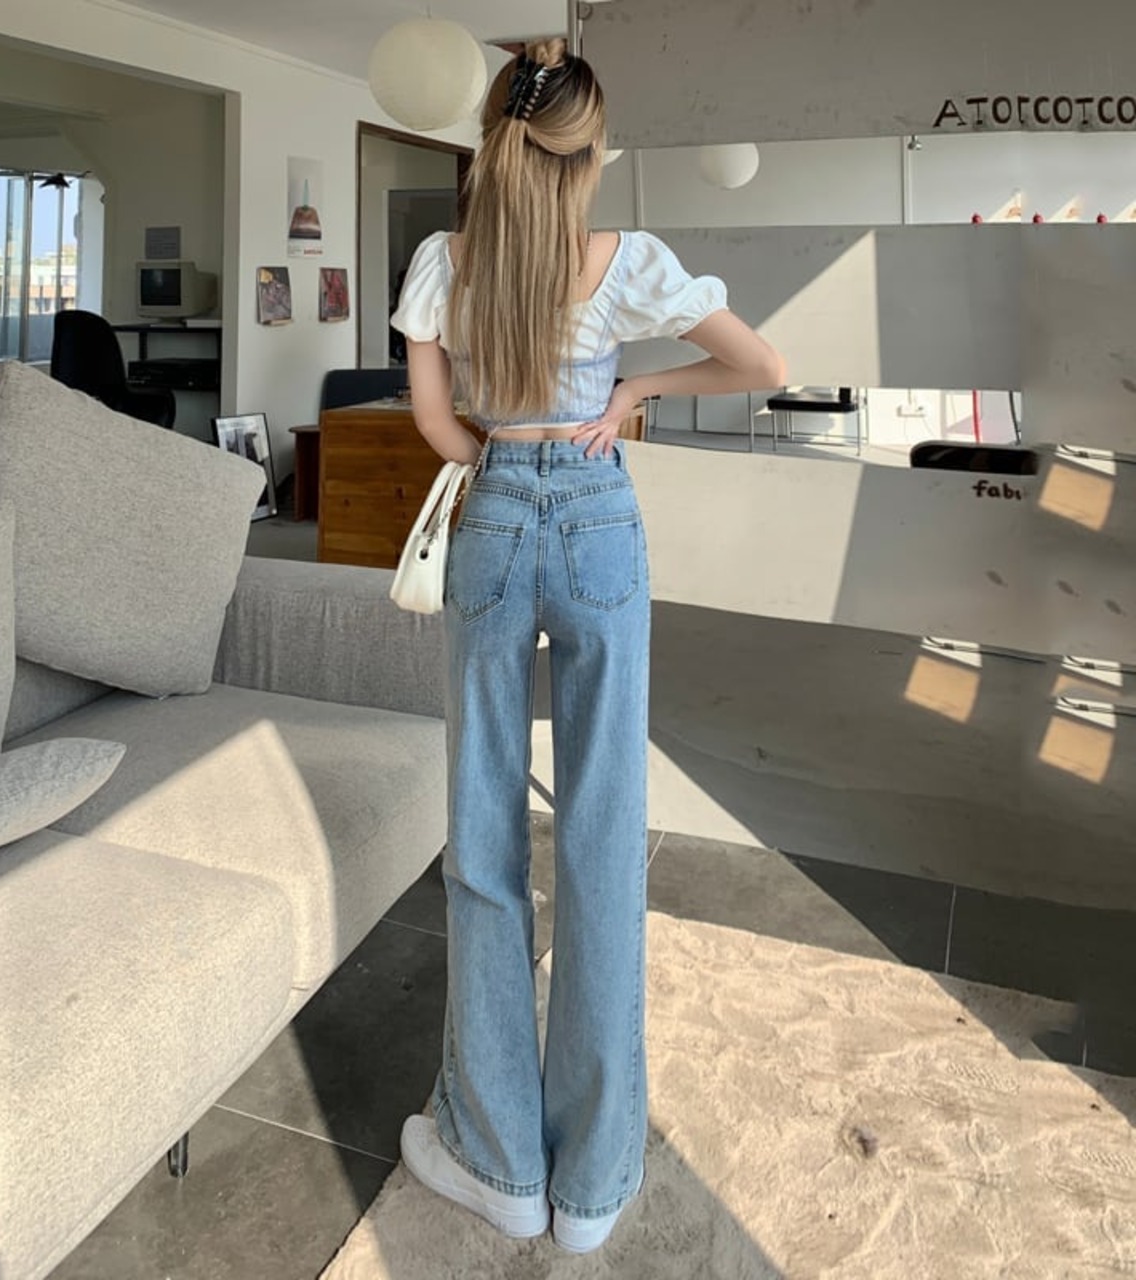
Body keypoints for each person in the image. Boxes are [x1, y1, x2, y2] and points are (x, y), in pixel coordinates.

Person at [389, 38, 785, 1255]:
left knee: (483, 834)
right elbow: (760, 363)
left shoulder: (445, 261)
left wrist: (509, 463)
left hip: (496, 514)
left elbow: (435, 422)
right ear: (589, 154)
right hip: (601, 518)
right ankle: (593, 1186)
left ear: (494, 146)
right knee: (604, 836)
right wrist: (630, 395)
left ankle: (498, 1161)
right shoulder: (627, 260)